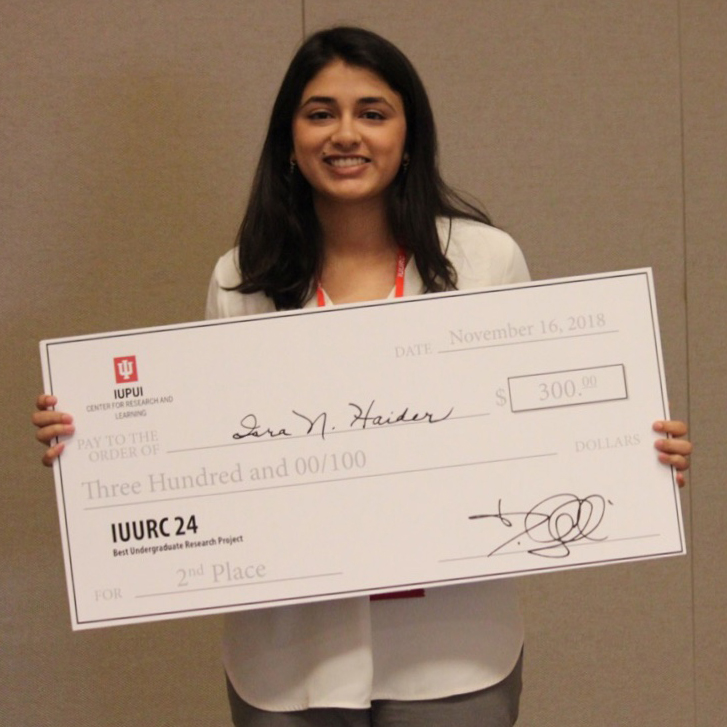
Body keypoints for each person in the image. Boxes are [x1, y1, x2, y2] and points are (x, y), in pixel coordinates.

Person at [32, 26, 692, 727]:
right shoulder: (240, 280)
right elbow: (200, 447)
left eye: (372, 113)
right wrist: (94, 441)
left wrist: (631, 456)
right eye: (320, 113)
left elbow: (547, 429)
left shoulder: (483, 261)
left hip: (452, 650)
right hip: (287, 658)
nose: (345, 134)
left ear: (409, 137)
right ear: (289, 137)